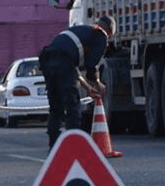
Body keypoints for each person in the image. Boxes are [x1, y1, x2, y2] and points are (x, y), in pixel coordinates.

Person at [39, 16, 116, 148]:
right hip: (63, 61)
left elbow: (72, 68)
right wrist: (97, 83)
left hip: (47, 59)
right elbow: (92, 65)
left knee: (55, 106)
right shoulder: (100, 34)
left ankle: (53, 146)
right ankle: (73, 145)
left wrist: (87, 87)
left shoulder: (79, 30)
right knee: (72, 105)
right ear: (109, 31)